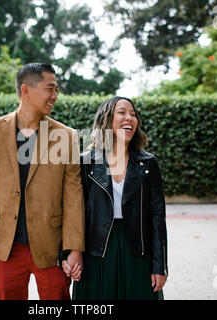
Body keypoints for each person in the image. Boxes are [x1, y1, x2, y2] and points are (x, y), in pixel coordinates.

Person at [0, 63, 84, 300]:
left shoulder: (66, 136)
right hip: (6, 246)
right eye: (49, 89)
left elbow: (73, 197)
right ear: (26, 90)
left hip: (51, 247)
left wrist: (75, 249)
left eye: (56, 90)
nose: (55, 96)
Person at [64, 96, 168, 300]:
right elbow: (71, 212)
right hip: (96, 250)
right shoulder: (86, 162)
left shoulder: (148, 163)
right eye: (122, 112)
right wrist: (68, 253)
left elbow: (157, 218)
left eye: (133, 114)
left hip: (138, 251)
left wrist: (159, 265)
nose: (129, 117)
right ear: (106, 119)